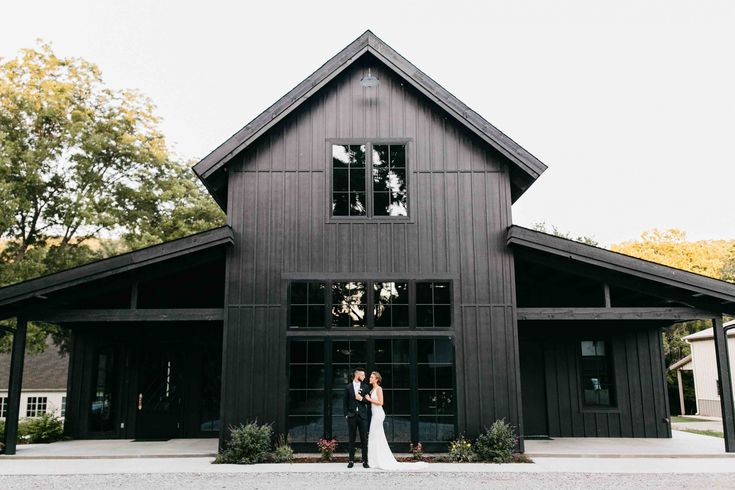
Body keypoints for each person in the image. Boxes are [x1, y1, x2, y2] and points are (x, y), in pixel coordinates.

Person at [364, 371, 428, 470]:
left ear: (377, 379)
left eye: (372, 377)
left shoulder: (379, 389)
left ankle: (379, 460)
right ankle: (374, 460)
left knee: (376, 435)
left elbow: (381, 402)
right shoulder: (372, 389)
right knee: (374, 436)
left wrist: (369, 399)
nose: (370, 378)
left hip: (378, 414)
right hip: (374, 414)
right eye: (370, 377)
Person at [343, 367, 370, 468]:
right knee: (351, 439)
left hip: (362, 416)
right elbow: (344, 403)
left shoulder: (366, 387)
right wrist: (346, 414)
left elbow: (368, 401)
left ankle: (365, 461)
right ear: (357, 375)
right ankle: (351, 460)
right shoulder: (348, 387)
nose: (364, 377)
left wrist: (362, 398)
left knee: (364, 438)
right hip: (352, 416)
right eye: (362, 375)